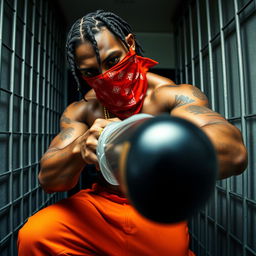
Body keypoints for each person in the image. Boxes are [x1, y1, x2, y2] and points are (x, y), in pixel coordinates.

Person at [17, 10, 247, 256]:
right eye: (91, 72)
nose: (105, 76)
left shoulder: (169, 95)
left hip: (157, 204)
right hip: (102, 205)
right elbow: (50, 180)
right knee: (35, 235)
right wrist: (79, 148)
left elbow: (234, 156)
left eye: (112, 60)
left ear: (129, 43)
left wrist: (157, 142)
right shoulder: (83, 109)